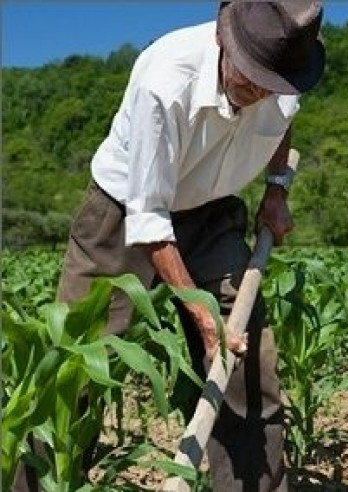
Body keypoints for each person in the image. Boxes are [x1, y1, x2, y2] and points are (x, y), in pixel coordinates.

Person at [13, 1, 325, 490]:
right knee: (76, 369)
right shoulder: (166, 79)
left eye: (272, 85)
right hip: (124, 215)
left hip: (214, 210)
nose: (259, 93)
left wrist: (277, 189)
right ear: (225, 41)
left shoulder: (289, 68)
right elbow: (150, 220)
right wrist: (202, 317)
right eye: (248, 80)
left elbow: (283, 122)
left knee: (245, 364)